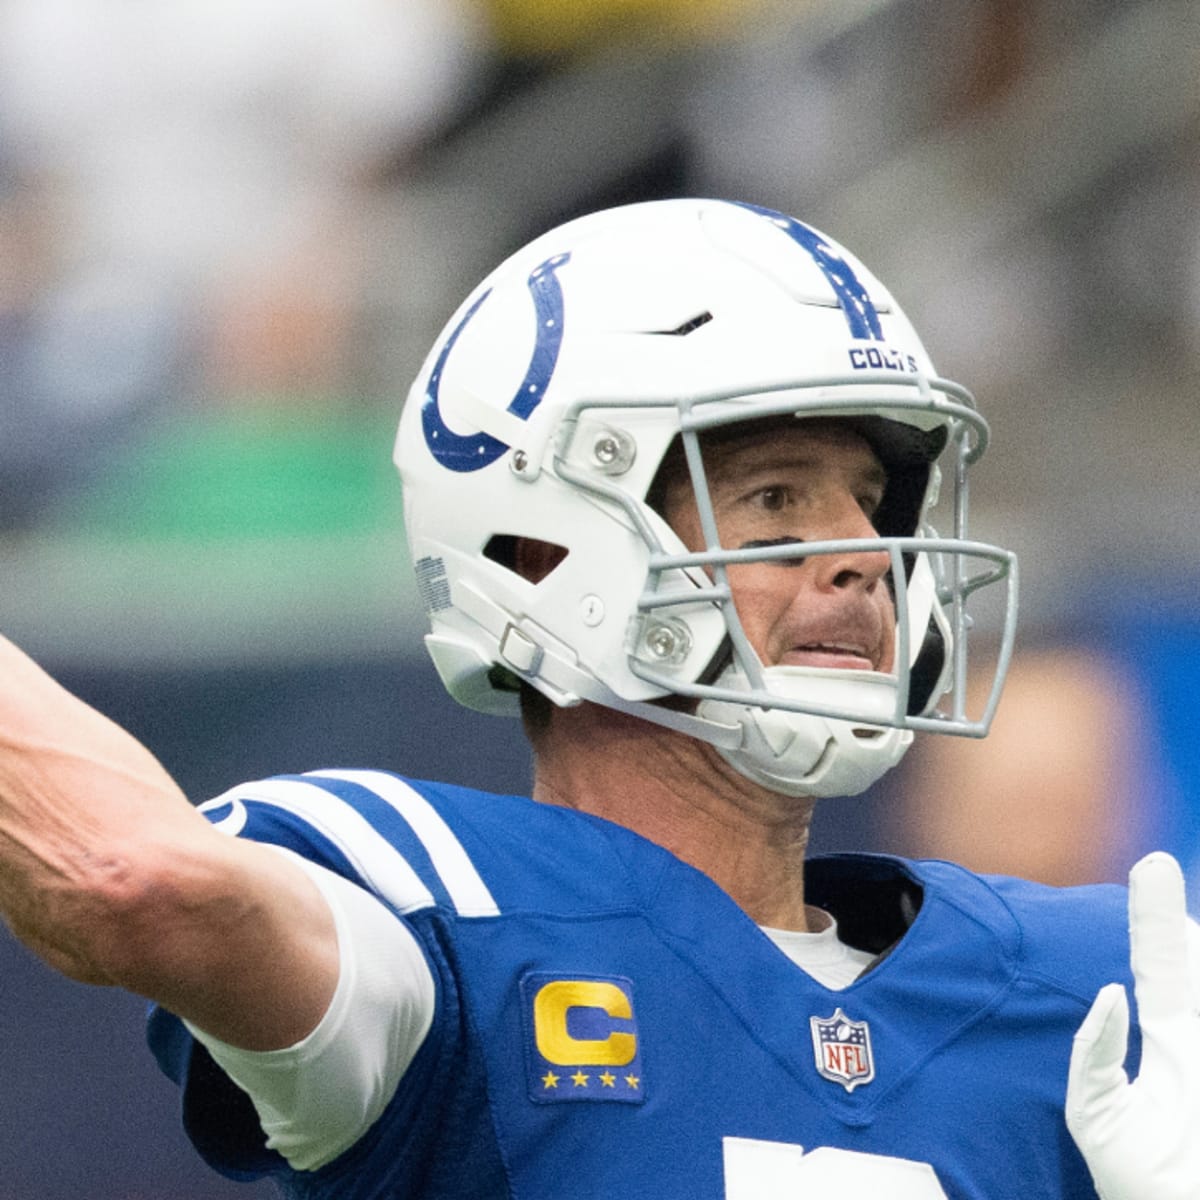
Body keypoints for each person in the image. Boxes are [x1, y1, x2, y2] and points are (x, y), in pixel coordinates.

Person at [1, 198, 1197, 1199]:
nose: (861, 557)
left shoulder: (1090, 989)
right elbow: (131, 876)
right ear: (541, 552)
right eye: (775, 499)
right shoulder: (444, 930)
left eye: (872, 502)